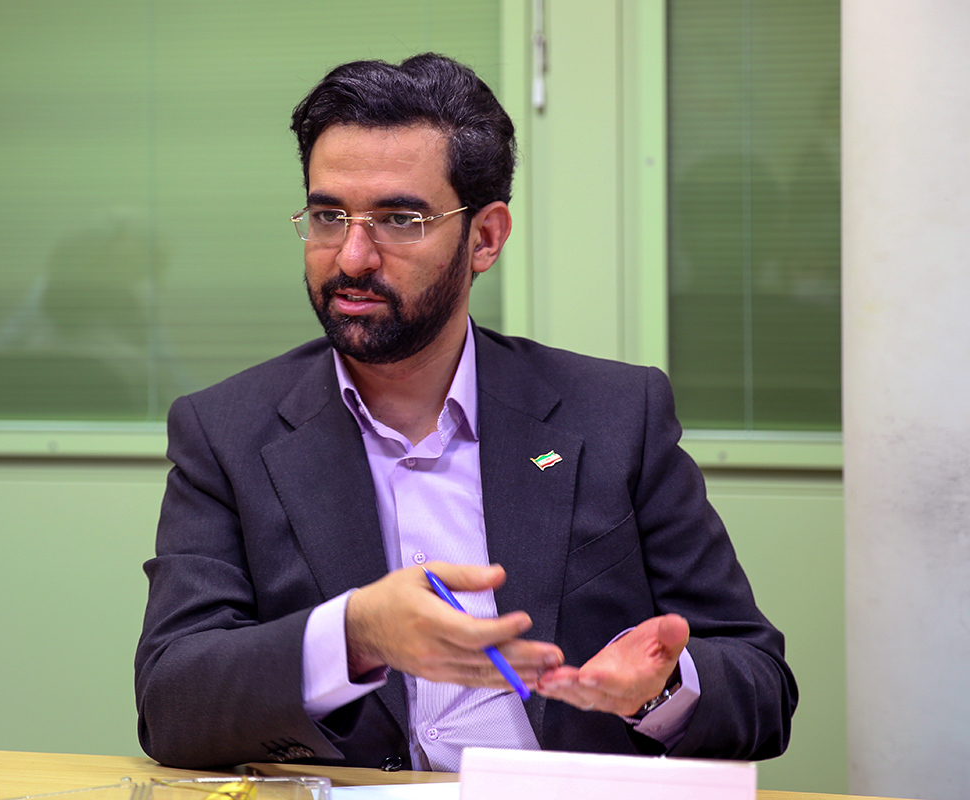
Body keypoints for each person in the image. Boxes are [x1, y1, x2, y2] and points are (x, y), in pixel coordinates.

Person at [135, 53, 797, 773]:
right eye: (328, 216)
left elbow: (761, 685)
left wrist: (660, 689)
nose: (351, 257)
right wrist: (355, 635)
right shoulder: (227, 433)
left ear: (485, 237)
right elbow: (171, 702)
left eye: (399, 219)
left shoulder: (614, 416)